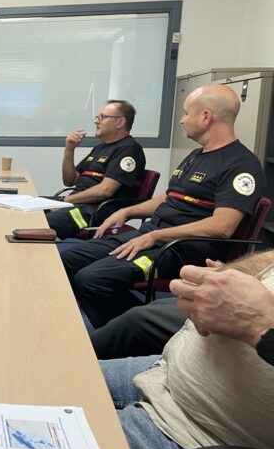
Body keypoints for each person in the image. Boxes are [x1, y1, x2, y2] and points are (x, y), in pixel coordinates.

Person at [62, 85, 264, 328]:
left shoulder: (241, 164)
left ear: (206, 117)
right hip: (150, 236)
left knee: (93, 279)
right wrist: (126, 211)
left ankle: (142, 331)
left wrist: (157, 235)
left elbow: (222, 226)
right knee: (67, 259)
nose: (181, 120)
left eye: (186, 113)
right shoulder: (197, 155)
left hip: (179, 250)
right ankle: (101, 327)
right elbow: (169, 198)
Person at [101, 250, 274, 449]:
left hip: (209, 446)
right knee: (55, 375)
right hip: (172, 372)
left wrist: (261, 324)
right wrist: (229, 276)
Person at [47, 100, 145, 240]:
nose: (96, 121)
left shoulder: (129, 149)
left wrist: (65, 200)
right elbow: (69, 180)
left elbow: (105, 190)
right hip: (76, 203)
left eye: (102, 117)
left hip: (93, 212)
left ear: (120, 122)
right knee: (25, 209)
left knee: (36, 221)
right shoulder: (100, 148)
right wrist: (69, 149)